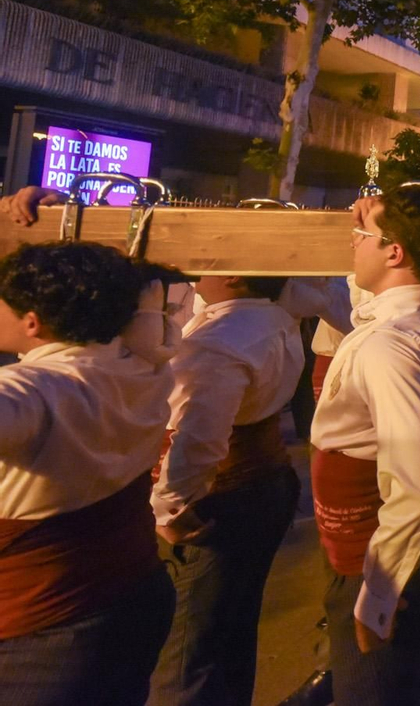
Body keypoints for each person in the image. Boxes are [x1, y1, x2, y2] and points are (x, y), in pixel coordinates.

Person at [309, 187, 420, 705]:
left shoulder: (392, 345)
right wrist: (379, 224)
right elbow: (386, 299)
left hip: (376, 552)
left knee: (375, 691)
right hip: (367, 541)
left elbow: (419, 488)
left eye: (362, 236)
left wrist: (379, 597)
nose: (352, 242)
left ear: (395, 252)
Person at [0, 238, 178, 706]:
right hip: (134, 593)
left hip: (46, 633)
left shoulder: (32, 390)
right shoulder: (143, 364)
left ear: (32, 322)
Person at [148, 272, 303, 706]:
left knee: (187, 653)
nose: (199, 269)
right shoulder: (274, 317)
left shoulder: (221, 339)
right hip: (266, 480)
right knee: (232, 632)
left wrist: (169, 508)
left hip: (220, 498)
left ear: (234, 274)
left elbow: (199, 439)